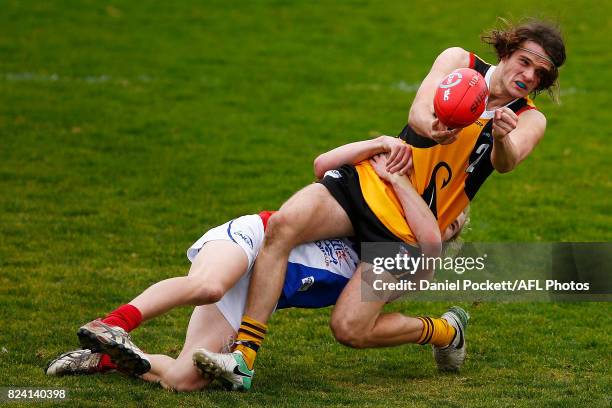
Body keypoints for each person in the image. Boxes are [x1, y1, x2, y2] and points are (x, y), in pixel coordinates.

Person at [197, 18, 566, 390]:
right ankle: (243, 357)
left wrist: (501, 138)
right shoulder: (459, 62)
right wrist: (432, 127)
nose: (529, 75)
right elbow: (419, 112)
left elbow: (507, 162)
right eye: (525, 61)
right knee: (284, 224)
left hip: (410, 230)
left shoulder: (529, 118)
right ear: (507, 50)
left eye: (540, 73)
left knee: (349, 328)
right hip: (374, 180)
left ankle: (444, 330)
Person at [46, 150, 466, 392]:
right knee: (208, 285)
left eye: (452, 223)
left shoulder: (388, 266)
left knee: (183, 381)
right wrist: (382, 153)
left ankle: (100, 359)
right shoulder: (369, 206)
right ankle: (114, 325)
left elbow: (422, 255)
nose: (443, 221)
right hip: (251, 240)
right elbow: (324, 165)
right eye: (444, 214)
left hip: (250, 298)